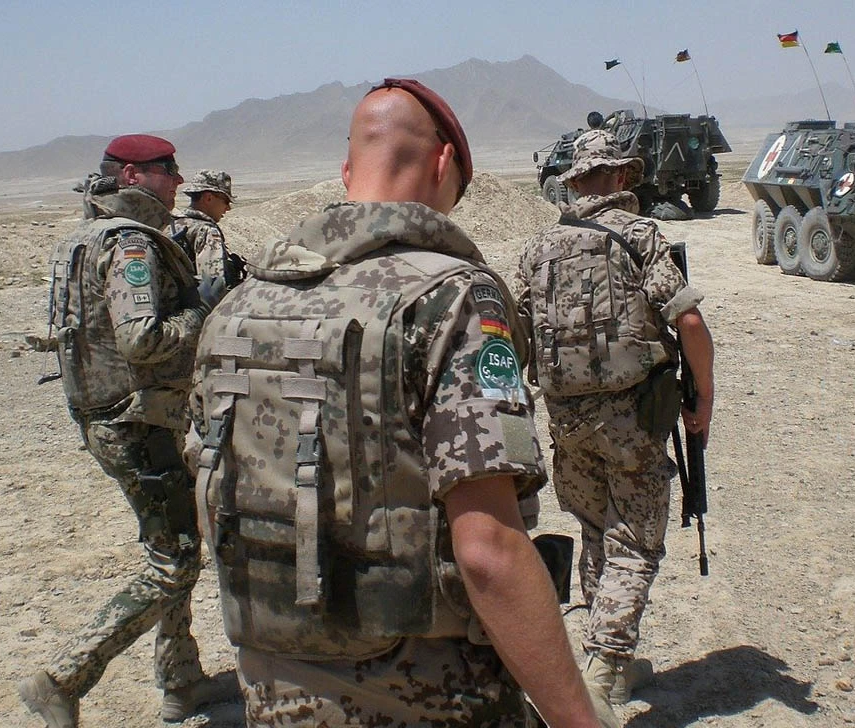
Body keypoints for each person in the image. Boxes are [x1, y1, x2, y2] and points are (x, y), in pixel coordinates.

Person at [186, 79, 616, 728]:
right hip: (427, 695)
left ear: (347, 170)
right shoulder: (451, 298)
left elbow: (214, 496)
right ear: (443, 164)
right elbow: (488, 551)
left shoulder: (238, 305)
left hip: (274, 691)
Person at [19, 134, 225, 727]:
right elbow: (142, 339)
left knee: (177, 541)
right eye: (167, 170)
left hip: (117, 417)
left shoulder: (82, 237)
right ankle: (62, 678)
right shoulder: (130, 242)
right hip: (138, 423)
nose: (178, 180)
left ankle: (180, 678)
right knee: (175, 561)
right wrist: (201, 310)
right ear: (133, 175)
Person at [514, 129, 715, 706]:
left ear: (576, 182)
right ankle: (602, 673)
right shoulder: (640, 235)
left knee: (596, 533)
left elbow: (516, 336)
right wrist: (704, 398)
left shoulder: (536, 249)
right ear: (621, 176)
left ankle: (604, 666)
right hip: (631, 420)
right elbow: (689, 322)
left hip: (566, 423)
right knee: (636, 545)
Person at [169, 169, 248, 286]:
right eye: (226, 201)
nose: (228, 208)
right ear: (208, 198)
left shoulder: (172, 224)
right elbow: (213, 285)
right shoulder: (206, 231)